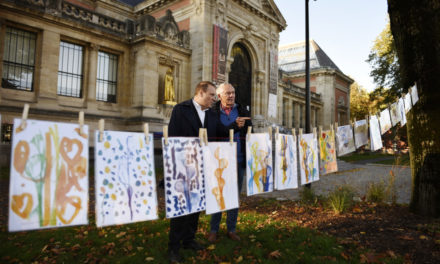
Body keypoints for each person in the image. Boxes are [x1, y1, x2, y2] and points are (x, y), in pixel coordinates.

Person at [167, 81, 228, 263]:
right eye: (211, 95)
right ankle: (174, 247)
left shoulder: (211, 114)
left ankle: (189, 239)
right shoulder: (181, 109)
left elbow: (222, 131)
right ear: (201, 93)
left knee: (197, 205)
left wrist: (237, 126)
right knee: (180, 208)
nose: (214, 99)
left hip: (203, 167)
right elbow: (172, 137)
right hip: (183, 166)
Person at [208, 83, 251, 243]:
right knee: (217, 194)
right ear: (219, 96)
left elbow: (249, 132)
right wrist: (234, 126)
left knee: (234, 196)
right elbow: (213, 131)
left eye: (233, 92)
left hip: (238, 160)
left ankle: (231, 229)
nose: (231, 96)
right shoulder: (212, 112)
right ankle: (214, 229)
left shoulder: (242, 110)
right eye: (227, 93)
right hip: (217, 161)